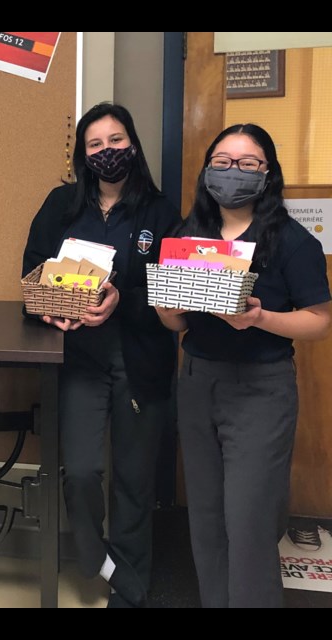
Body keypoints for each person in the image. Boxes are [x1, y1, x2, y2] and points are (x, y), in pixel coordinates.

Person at [155, 124, 331, 608]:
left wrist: (260, 317)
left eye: (248, 163)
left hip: (261, 390)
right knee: (206, 518)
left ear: (268, 173)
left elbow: (319, 322)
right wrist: (167, 307)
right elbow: (175, 322)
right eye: (222, 161)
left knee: (249, 523)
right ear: (207, 169)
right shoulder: (189, 235)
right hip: (197, 381)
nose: (233, 172)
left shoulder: (291, 241)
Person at [21, 102, 181, 608]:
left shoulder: (159, 212)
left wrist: (120, 298)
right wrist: (48, 308)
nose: (107, 152)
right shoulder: (60, 204)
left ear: (131, 145)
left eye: (115, 141)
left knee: (134, 481)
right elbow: (31, 277)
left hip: (140, 358)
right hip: (80, 359)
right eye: (95, 144)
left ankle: (127, 590)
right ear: (82, 154)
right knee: (83, 471)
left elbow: (172, 291)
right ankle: (100, 558)